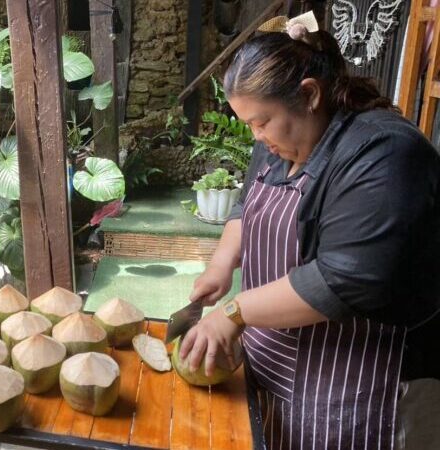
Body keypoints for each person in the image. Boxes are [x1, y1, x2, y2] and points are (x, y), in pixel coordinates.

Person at [179, 19, 440, 450]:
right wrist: (222, 263)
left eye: (261, 122)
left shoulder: (385, 154)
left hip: (366, 390)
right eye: (248, 125)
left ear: (309, 94)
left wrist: (234, 312)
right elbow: (249, 204)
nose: (256, 136)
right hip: (280, 371)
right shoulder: (281, 136)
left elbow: (344, 279)